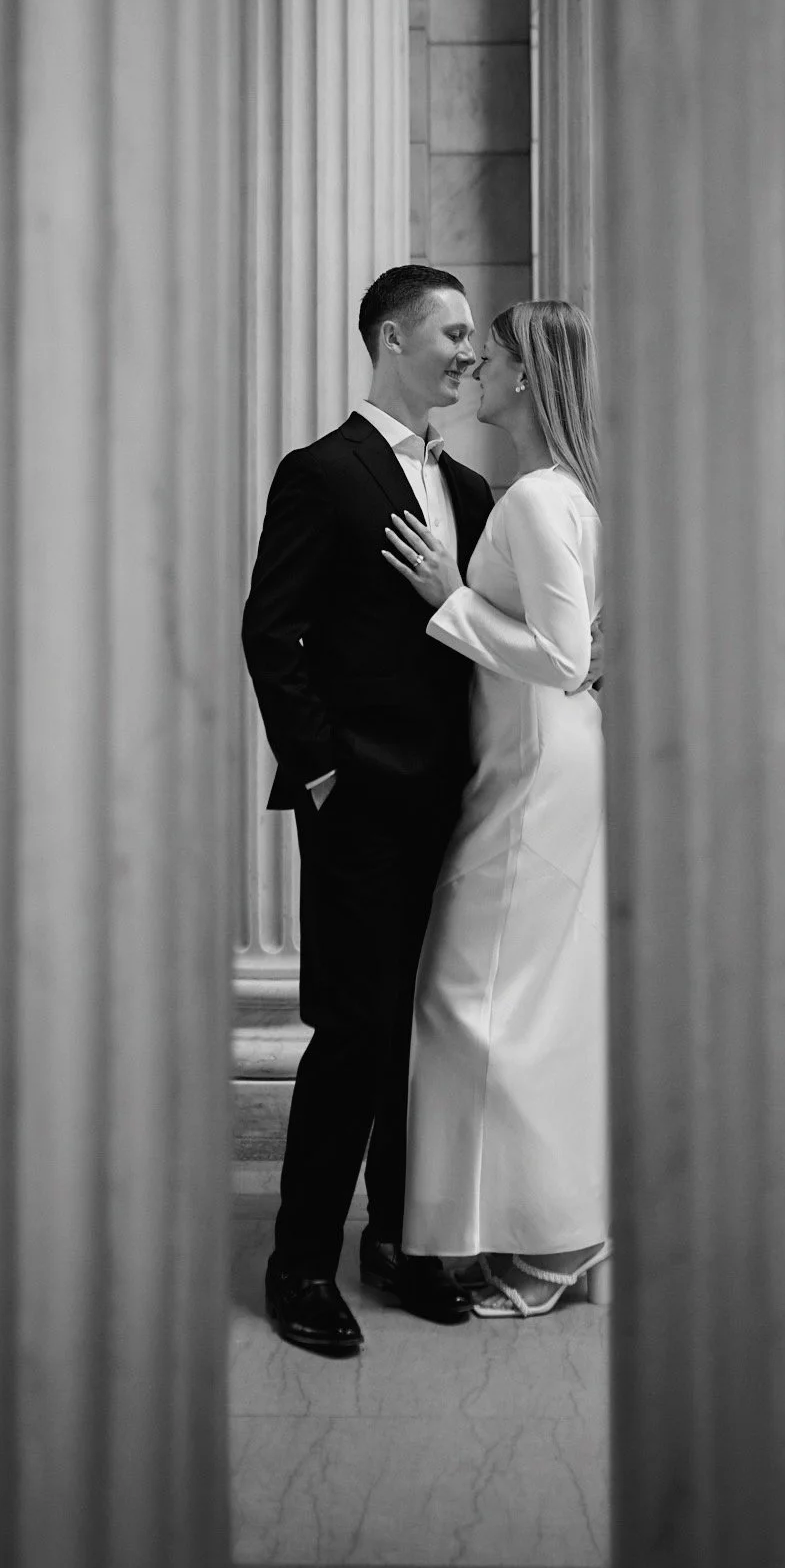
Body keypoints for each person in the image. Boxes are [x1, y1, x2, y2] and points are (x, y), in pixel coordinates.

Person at [241, 264, 496, 1357]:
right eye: (452, 332)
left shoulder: (474, 492)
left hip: (459, 807)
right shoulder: (322, 472)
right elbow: (272, 631)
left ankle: (400, 1236)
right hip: (359, 806)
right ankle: (301, 1262)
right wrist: (324, 773)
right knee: (355, 1035)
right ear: (392, 339)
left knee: (428, 1035)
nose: (469, 351)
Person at [382, 299, 609, 1317]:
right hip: (536, 762)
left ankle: (493, 1237)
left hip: (535, 774)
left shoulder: (531, 500)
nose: (478, 366)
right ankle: (532, 1227)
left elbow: (563, 659)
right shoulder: (559, 494)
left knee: (467, 1003)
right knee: (527, 1007)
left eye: (496, 354)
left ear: (529, 376)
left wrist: (446, 596)